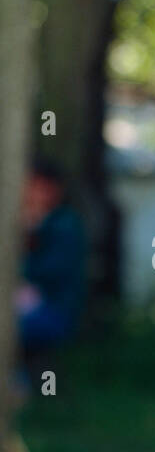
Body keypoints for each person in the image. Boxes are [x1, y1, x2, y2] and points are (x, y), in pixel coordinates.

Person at [13, 158, 86, 395]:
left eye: (39, 187)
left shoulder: (64, 225)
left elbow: (46, 271)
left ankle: (17, 390)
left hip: (54, 313)